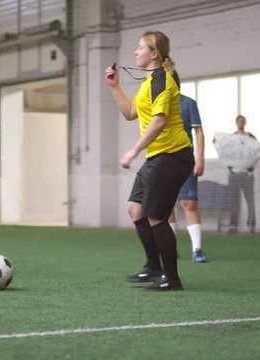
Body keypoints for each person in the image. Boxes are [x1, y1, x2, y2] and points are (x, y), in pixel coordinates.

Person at [105, 31, 194, 291]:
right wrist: (115, 86)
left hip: (173, 155)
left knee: (156, 215)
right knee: (136, 209)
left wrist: (133, 151)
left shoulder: (161, 79)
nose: (135, 52)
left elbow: (160, 120)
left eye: (140, 47)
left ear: (154, 54)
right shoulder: (147, 82)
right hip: (158, 155)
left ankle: (172, 279)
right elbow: (131, 113)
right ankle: (154, 268)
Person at [167, 93, 206, 262]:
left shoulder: (188, 103)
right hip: (162, 161)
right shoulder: (156, 103)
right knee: (166, 205)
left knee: (189, 203)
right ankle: (170, 247)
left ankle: (197, 249)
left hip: (185, 160)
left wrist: (200, 158)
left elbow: (198, 132)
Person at [227, 115, 260, 233]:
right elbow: (226, 152)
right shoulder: (231, 138)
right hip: (234, 174)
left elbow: (258, 151)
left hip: (247, 174)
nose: (240, 123)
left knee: (250, 200)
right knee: (234, 200)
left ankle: (251, 224)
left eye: (242, 121)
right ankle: (233, 225)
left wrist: (251, 165)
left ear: (245, 123)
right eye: (239, 121)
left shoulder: (250, 137)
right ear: (236, 123)